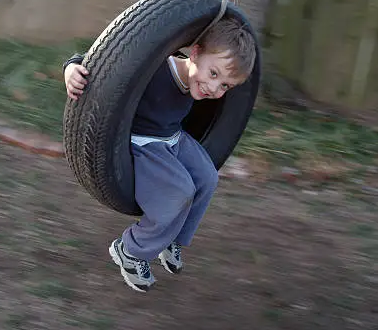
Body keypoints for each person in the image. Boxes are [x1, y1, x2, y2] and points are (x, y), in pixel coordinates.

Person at [62, 16, 256, 292]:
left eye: (225, 86)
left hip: (172, 137)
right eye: (214, 74)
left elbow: (205, 92)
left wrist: (212, 79)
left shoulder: (196, 81)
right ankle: (131, 249)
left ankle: (172, 239)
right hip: (143, 143)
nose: (214, 89)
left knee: (207, 178)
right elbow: (102, 62)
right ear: (196, 52)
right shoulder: (154, 67)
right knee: (180, 192)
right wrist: (71, 68)